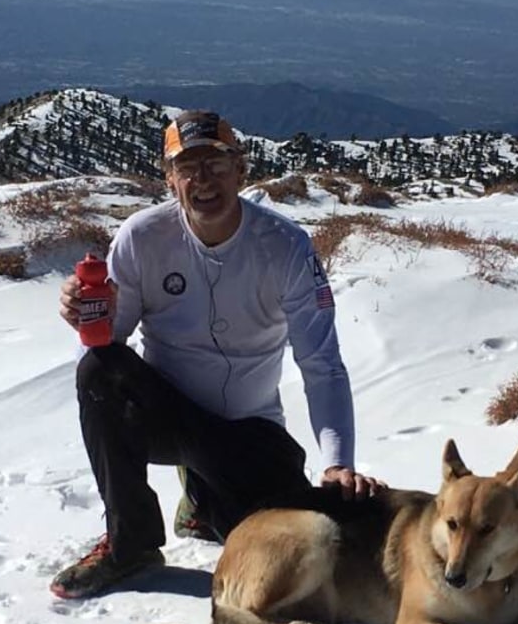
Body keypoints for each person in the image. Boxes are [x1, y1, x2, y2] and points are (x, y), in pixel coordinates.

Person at [51, 109, 385, 599]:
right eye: (187, 167)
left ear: (241, 170)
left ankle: (204, 498)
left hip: (248, 433)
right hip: (170, 416)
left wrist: (337, 463)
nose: (203, 180)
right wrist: (83, 313)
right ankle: (131, 543)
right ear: (170, 180)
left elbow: (322, 365)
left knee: (285, 540)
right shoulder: (142, 239)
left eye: (216, 163)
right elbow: (111, 345)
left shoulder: (286, 247)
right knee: (98, 371)